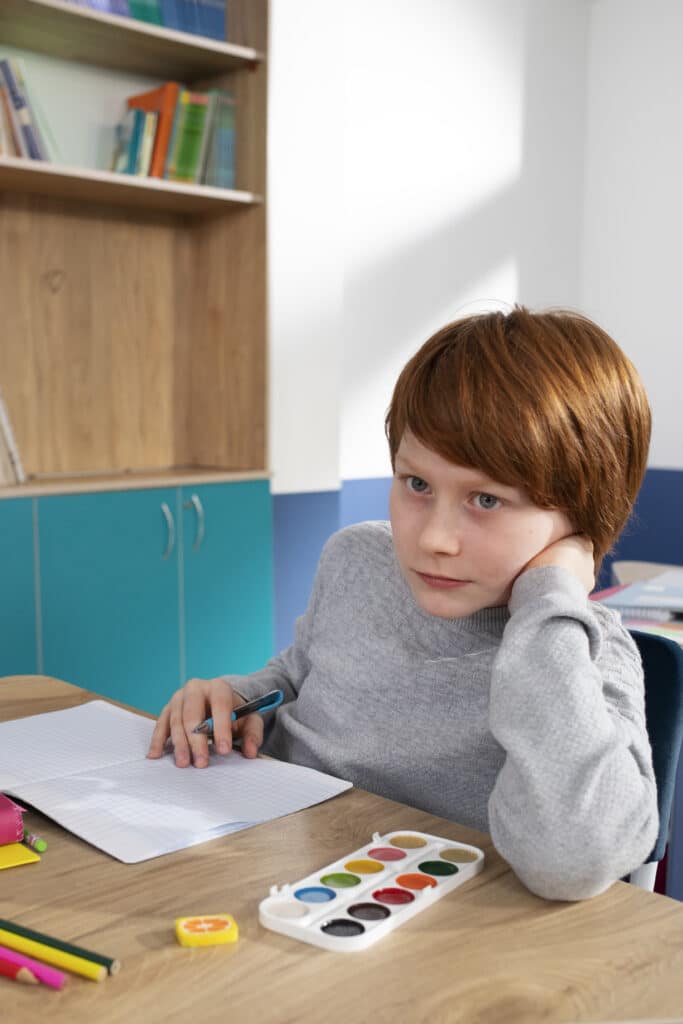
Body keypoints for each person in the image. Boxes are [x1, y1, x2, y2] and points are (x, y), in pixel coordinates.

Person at [148, 306, 658, 901]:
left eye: (486, 500)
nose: (434, 539)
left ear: (581, 518)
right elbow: (300, 675)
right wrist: (241, 699)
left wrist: (548, 602)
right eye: (416, 485)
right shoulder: (356, 558)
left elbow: (571, 860)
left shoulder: (580, 654)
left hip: (421, 934)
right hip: (270, 870)